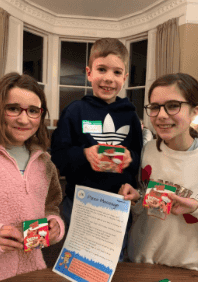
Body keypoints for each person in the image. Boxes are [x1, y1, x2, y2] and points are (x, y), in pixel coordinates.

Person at [119, 73, 198, 272]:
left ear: (195, 112)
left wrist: (197, 207)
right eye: (155, 107)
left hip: (191, 272)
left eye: (173, 105)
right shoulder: (148, 150)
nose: (161, 115)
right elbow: (148, 208)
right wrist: (137, 198)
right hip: (140, 263)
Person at [50, 38, 145, 229]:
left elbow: (139, 158)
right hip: (79, 202)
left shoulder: (131, 116)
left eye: (117, 72)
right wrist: (84, 154)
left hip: (118, 204)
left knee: (116, 248)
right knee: (75, 247)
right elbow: (58, 156)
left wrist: (130, 158)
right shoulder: (74, 111)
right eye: (102, 69)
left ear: (124, 78)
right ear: (89, 73)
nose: (109, 78)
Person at [0, 73, 66, 282]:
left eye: (33, 111)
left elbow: (51, 207)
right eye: (13, 108)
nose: (23, 119)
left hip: (32, 274)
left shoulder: (45, 163)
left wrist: (55, 225)